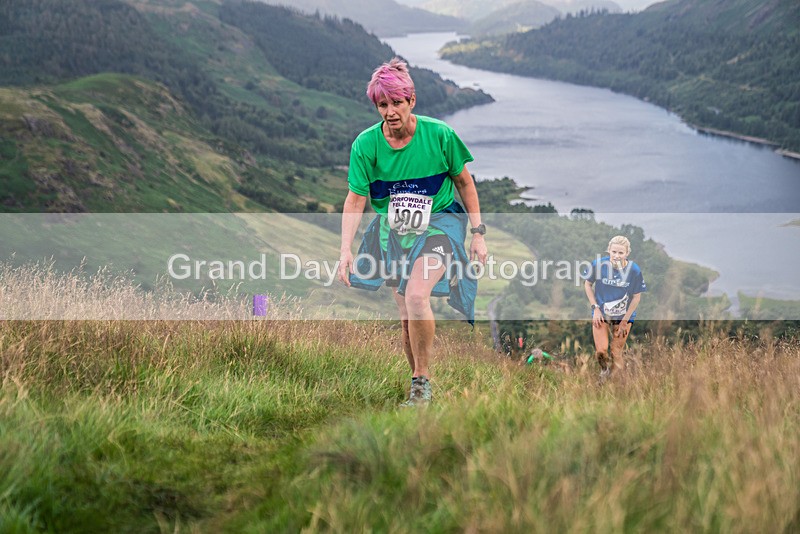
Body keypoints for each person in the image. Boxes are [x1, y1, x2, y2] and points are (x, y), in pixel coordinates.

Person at [337, 58, 488, 406]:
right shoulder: (366, 145)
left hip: (440, 224)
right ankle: (418, 386)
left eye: (396, 103)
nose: (390, 112)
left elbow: (465, 183)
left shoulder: (440, 135)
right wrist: (346, 249)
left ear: (412, 101)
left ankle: (422, 382)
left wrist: (478, 232)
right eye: (382, 105)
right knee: (407, 318)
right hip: (395, 233)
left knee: (417, 296)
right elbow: (355, 199)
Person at [582, 235, 647, 379]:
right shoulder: (598, 265)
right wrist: (596, 308)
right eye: (614, 252)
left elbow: (637, 297)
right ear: (609, 251)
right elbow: (587, 284)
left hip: (624, 315)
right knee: (601, 352)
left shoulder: (634, 270)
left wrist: (625, 321)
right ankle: (604, 371)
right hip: (602, 313)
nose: (617, 256)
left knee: (615, 351)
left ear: (627, 253)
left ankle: (616, 381)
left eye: (621, 253)